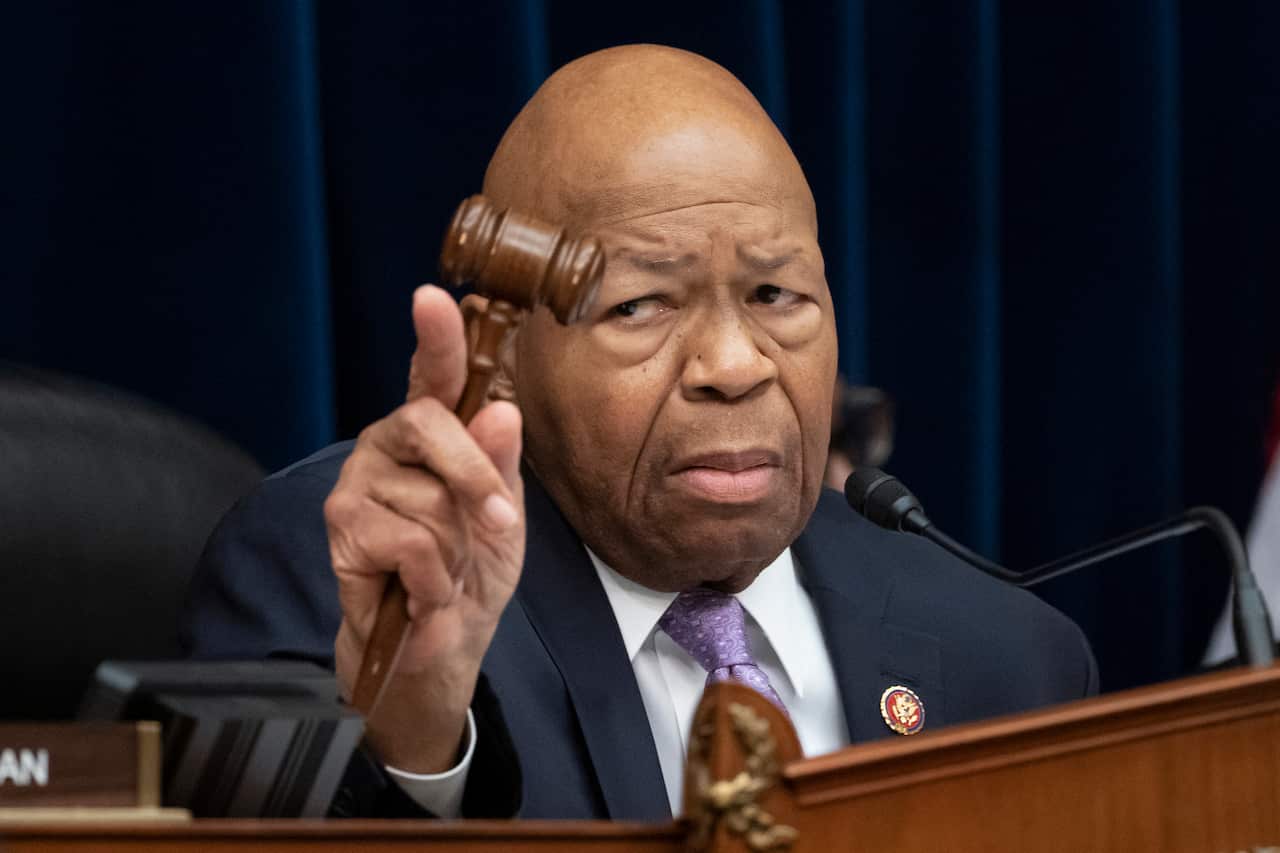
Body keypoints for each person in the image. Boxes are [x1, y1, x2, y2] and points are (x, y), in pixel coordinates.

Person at [184, 44, 1097, 820]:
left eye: (777, 295)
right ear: (501, 357)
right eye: (641, 304)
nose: (735, 365)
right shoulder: (357, 570)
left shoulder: (1010, 659)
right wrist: (413, 730)